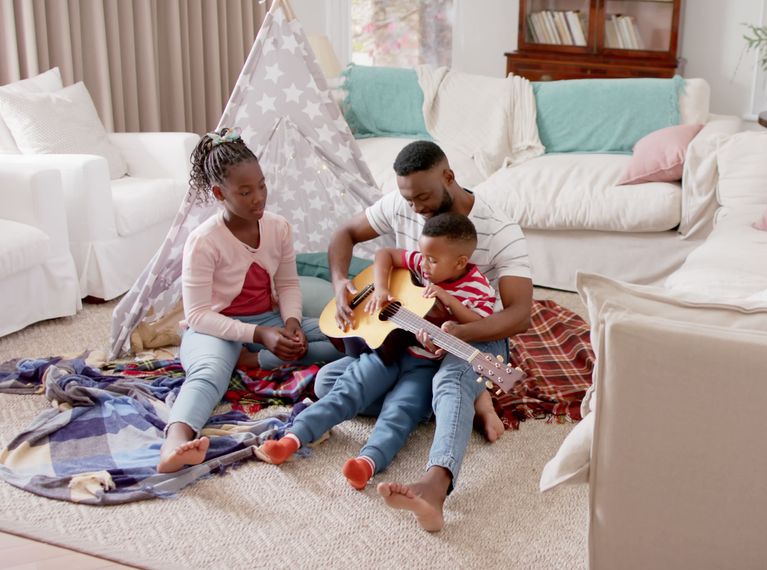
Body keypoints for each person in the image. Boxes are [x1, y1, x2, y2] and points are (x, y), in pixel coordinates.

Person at [321, 140, 532, 531]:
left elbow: (520, 314)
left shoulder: (500, 229)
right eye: (408, 199)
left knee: (450, 381)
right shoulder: (405, 202)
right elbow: (346, 232)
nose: (415, 208)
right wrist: (338, 283)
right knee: (327, 381)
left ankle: (434, 489)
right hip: (413, 333)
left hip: (474, 332)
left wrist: (460, 329)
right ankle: (460, 400)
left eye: (422, 197)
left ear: (448, 177)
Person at [256, 212, 501, 492]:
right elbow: (385, 254)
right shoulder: (425, 260)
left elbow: (480, 326)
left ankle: (367, 462)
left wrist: (448, 303)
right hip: (388, 349)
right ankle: (291, 439)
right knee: (346, 389)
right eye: (422, 256)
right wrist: (382, 290)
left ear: (460, 261)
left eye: (432, 260)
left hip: (426, 366)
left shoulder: (478, 288)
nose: (424, 265)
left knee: (401, 410)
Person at [157, 128, 343, 474]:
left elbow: (287, 283)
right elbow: (197, 315)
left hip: (266, 320)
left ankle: (254, 361)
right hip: (213, 329)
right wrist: (261, 337)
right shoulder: (204, 241)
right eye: (245, 191)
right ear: (219, 193)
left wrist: (289, 324)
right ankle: (175, 444)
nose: (259, 197)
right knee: (209, 373)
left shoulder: (278, 227)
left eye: (261, 185)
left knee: (344, 338)